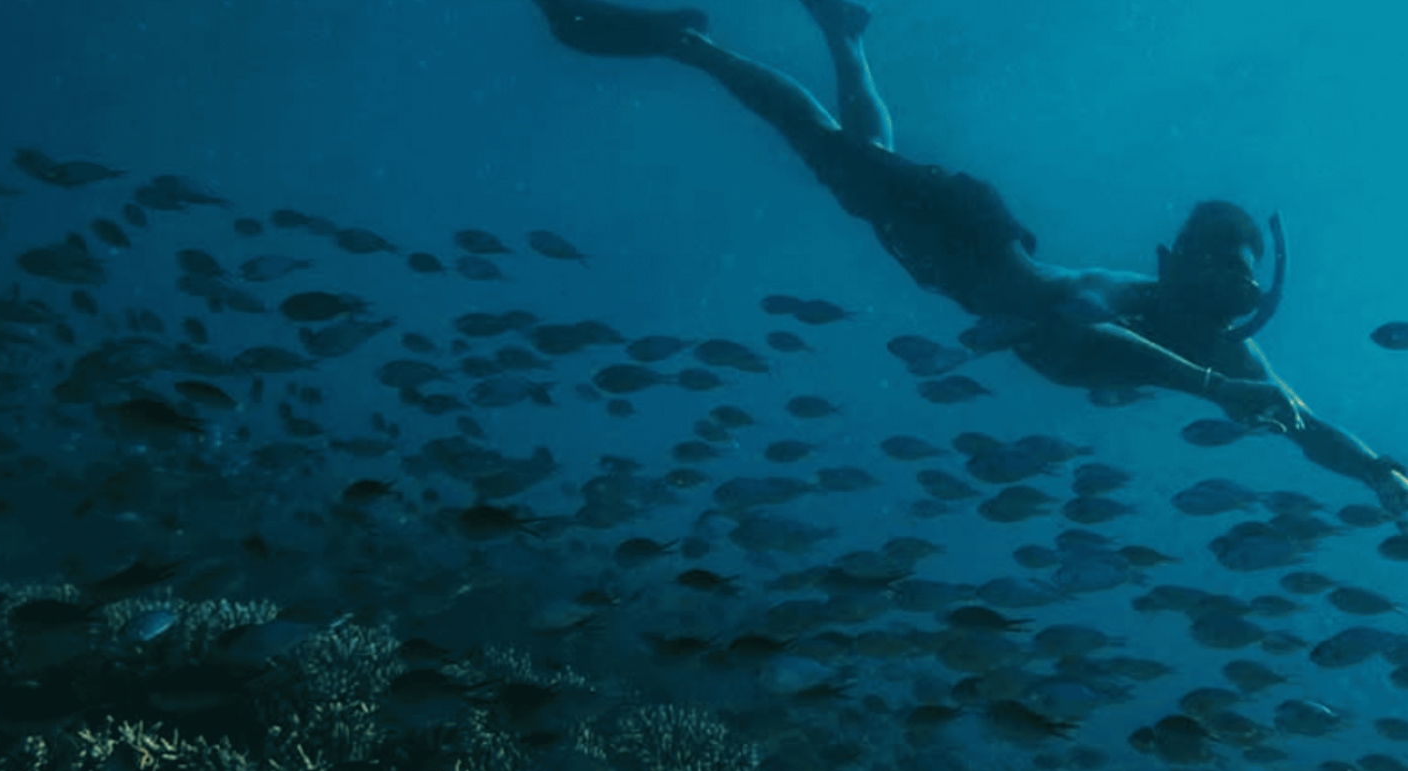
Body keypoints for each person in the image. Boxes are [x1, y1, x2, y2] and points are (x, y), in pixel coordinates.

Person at [528, 0, 1408, 517]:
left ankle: (845, 30)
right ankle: (692, 43)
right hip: (968, 233)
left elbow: (1308, 424)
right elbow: (1072, 335)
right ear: (1171, 262)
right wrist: (1215, 390)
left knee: (857, 156)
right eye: (1215, 273)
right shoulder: (1156, 319)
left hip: (942, 254)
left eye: (1240, 283)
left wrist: (1378, 471)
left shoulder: (1223, 343)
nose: (1228, 295)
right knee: (825, 147)